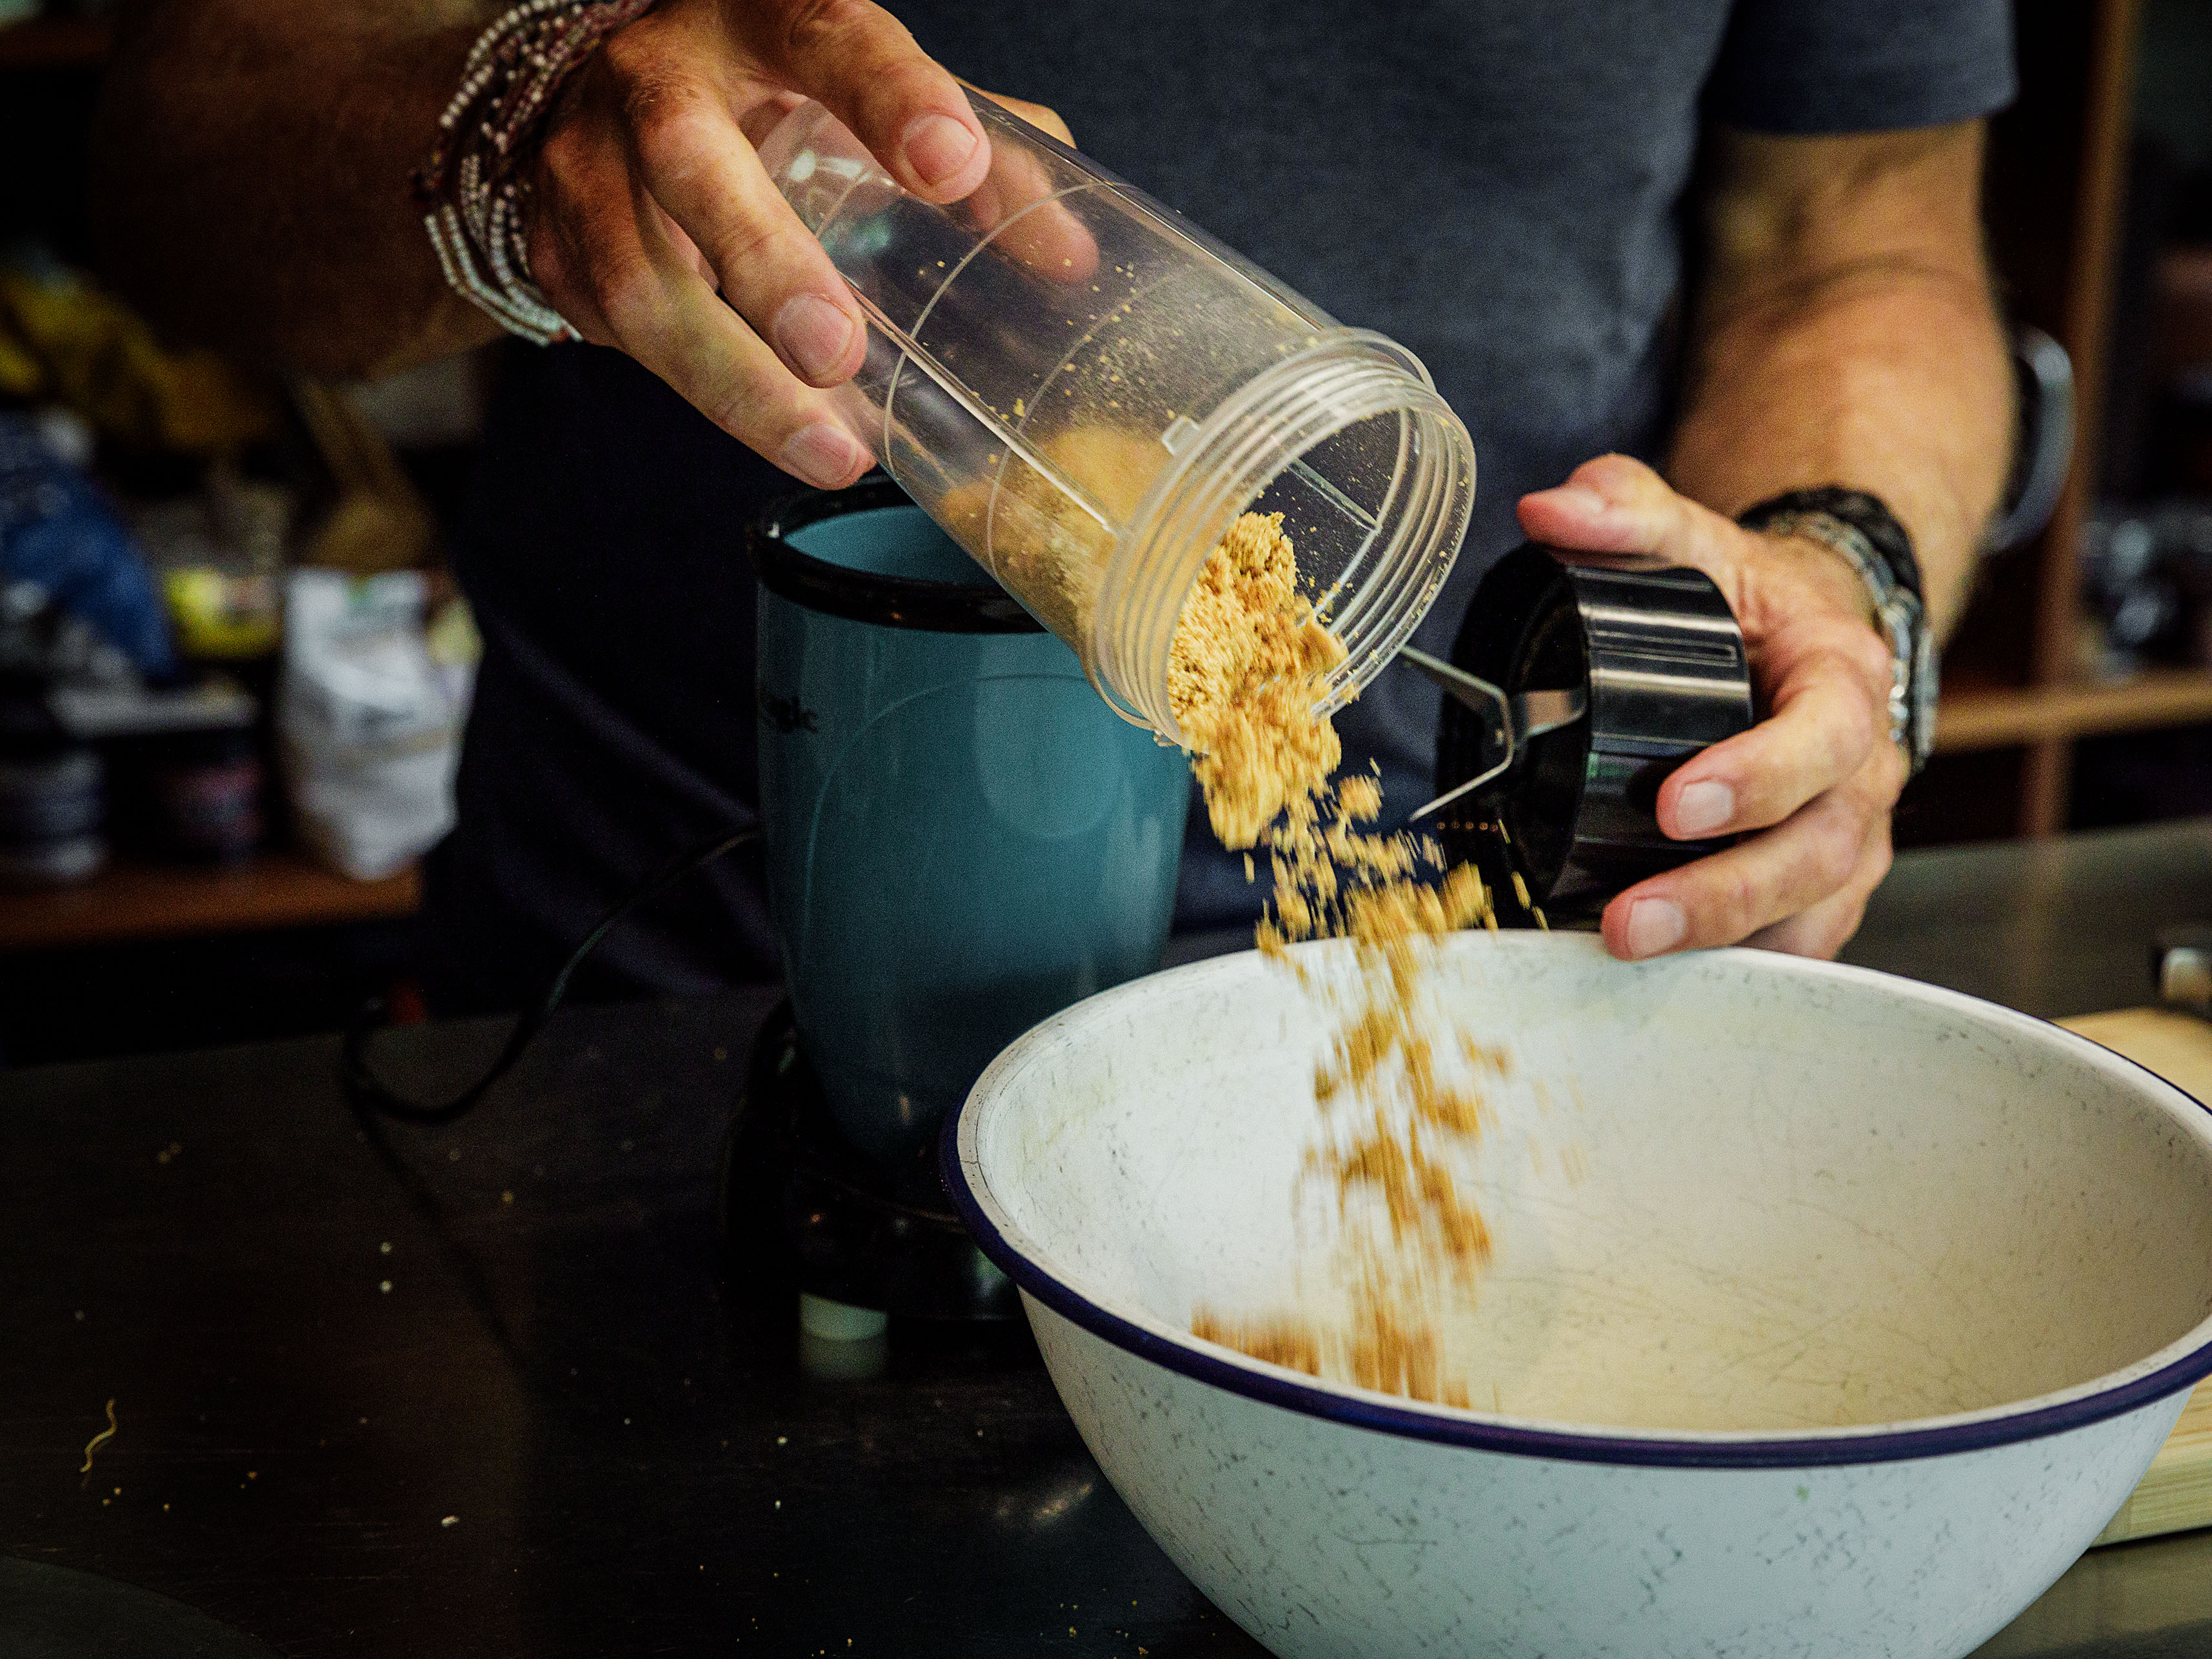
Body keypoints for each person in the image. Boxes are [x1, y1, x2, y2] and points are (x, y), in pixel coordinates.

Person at [90, 0, 2016, 1009]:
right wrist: (524, 134)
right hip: (677, 1021)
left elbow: (1859, 237)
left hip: (1482, 960)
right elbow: (168, 151)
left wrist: (1835, 574)